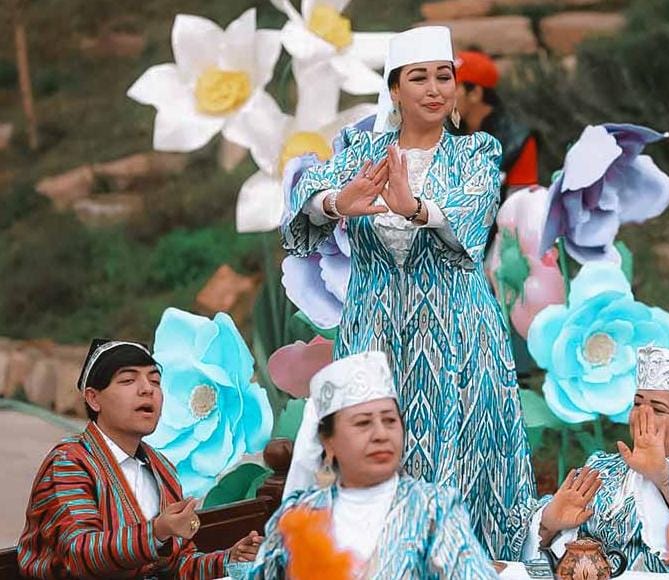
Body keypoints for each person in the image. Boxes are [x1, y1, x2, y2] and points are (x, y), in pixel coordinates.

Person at [281, 26, 535, 559]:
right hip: (375, 327)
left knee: (463, 452)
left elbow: (470, 215)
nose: (435, 88)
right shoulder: (359, 147)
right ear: (395, 89)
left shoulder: (478, 152)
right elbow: (303, 198)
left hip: (458, 331)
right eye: (419, 77)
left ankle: (467, 563)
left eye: (444, 77)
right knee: (368, 441)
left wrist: (414, 208)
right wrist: (336, 202)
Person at [17, 339, 260, 579]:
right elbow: (80, 553)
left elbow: (177, 565)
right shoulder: (69, 461)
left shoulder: (162, 468)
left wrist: (230, 558)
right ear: (93, 398)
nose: (148, 389)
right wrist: (155, 532)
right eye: (128, 380)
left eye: (155, 380)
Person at [249, 352, 499, 579]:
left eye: (390, 420)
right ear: (329, 442)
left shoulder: (433, 509)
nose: (381, 434)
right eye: (363, 423)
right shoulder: (300, 514)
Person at [519, 346, 669, 574]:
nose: (643, 415)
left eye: (658, 410)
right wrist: (548, 523)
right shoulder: (600, 468)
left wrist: (661, 473)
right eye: (638, 404)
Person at [453, 50, 538, 193]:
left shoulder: (517, 141)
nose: (442, 94)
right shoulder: (444, 133)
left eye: (453, 87)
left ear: (475, 93)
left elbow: (519, 204)